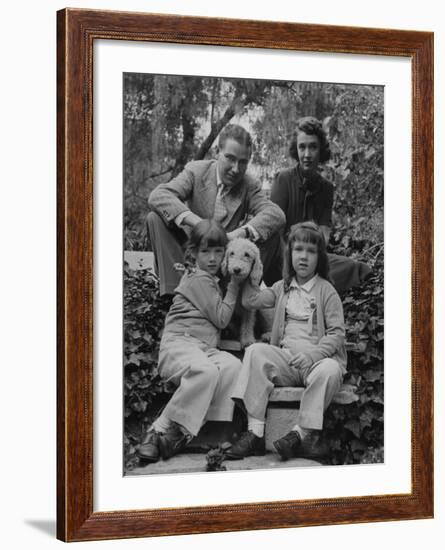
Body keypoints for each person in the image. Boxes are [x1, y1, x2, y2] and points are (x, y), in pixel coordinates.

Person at [226, 222, 346, 461]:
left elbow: (336, 333)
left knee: (331, 370)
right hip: (287, 362)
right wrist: (249, 271)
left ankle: (299, 435)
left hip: (316, 364)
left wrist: (314, 355)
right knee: (256, 351)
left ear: (319, 258)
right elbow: (251, 301)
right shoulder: (282, 287)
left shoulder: (327, 291)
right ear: (289, 254)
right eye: (298, 249)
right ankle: (255, 432)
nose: (303, 257)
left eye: (311, 251)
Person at [137, 220, 245, 463]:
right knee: (205, 371)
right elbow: (221, 318)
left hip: (203, 348)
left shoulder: (210, 280)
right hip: (180, 345)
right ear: (193, 253)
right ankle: (159, 429)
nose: (213, 258)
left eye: (219, 252)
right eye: (205, 251)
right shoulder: (198, 278)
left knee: (233, 367)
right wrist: (235, 287)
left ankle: (182, 434)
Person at [147, 124, 285, 296]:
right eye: (230, 158)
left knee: (270, 233)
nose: (236, 169)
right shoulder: (196, 171)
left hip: (224, 262)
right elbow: (158, 195)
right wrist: (199, 225)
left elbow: (276, 215)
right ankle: (175, 294)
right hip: (191, 254)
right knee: (155, 217)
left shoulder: (249, 185)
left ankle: (251, 293)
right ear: (217, 153)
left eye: (243, 162)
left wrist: (238, 234)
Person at [263, 116, 371, 292]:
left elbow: (323, 237)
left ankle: (312, 284)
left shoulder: (326, 188)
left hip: (311, 258)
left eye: (312, 147)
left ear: (321, 150)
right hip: (282, 261)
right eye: (302, 147)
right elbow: (274, 233)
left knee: (355, 268)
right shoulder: (283, 179)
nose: (307, 154)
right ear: (295, 149)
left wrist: (305, 234)